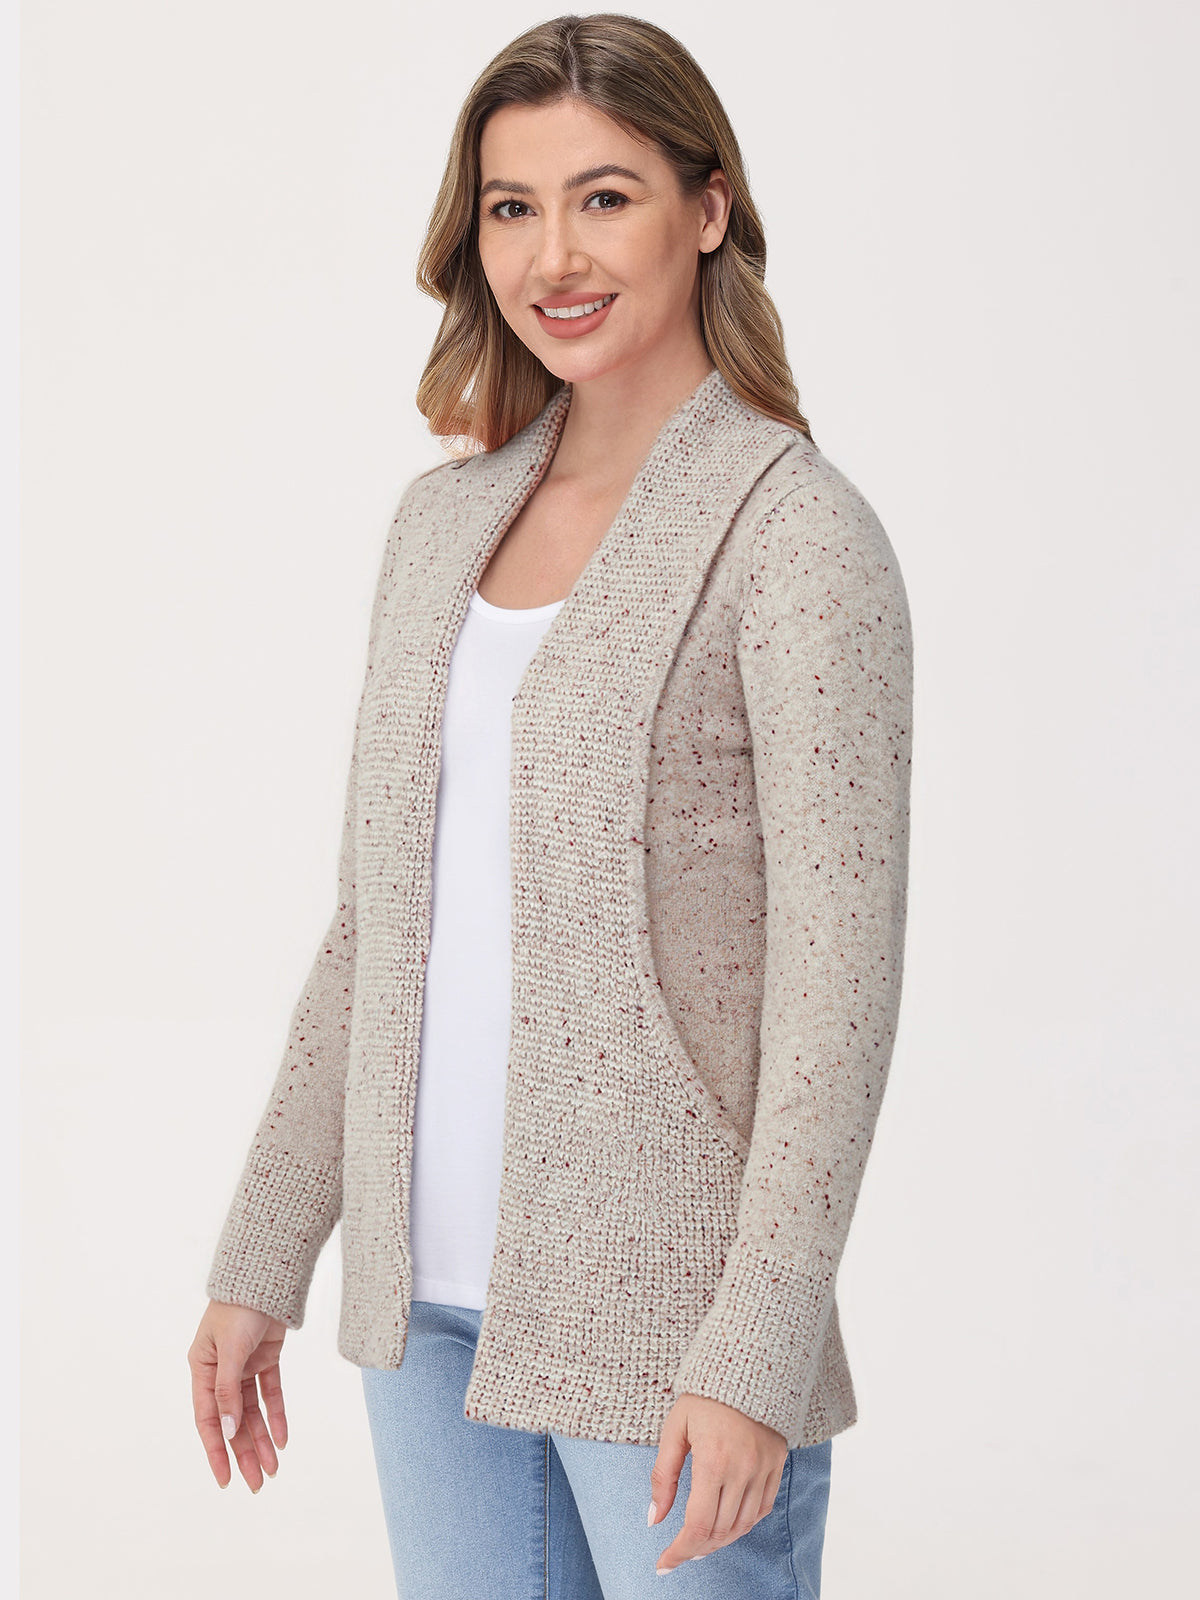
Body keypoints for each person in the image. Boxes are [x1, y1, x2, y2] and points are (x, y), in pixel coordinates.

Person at [188, 13, 914, 1597]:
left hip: (672, 1327)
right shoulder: (438, 527)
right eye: (512, 207)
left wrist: (759, 1345)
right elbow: (373, 931)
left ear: (706, 209)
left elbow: (838, 990)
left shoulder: (796, 537)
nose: (553, 255)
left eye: (605, 197)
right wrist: (264, 1253)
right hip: (422, 1313)